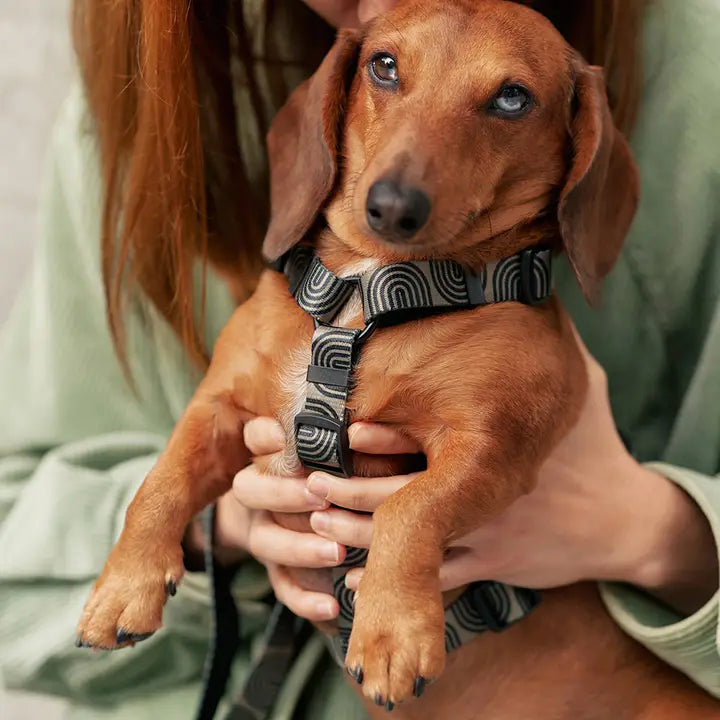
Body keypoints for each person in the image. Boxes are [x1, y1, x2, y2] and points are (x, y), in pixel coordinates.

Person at [0, 0, 718, 718]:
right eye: (386, 69)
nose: (402, 189)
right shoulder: (147, 119)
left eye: (507, 98)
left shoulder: (694, 68)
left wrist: (657, 529)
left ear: (575, 146)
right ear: (336, 97)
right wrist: (217, 528)